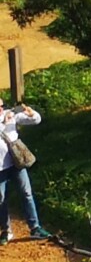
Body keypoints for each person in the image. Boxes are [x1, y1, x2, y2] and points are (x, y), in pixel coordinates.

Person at [0, 99, 44, 242]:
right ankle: (6, 231)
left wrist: (31, 113)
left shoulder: (10, 115)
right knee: (1, 199)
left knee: (26, 193)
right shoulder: (6, 118)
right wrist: (3, 123)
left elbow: (36, 120)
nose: (1, 109)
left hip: (16, 164)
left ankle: (35, 228)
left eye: (2, 106)